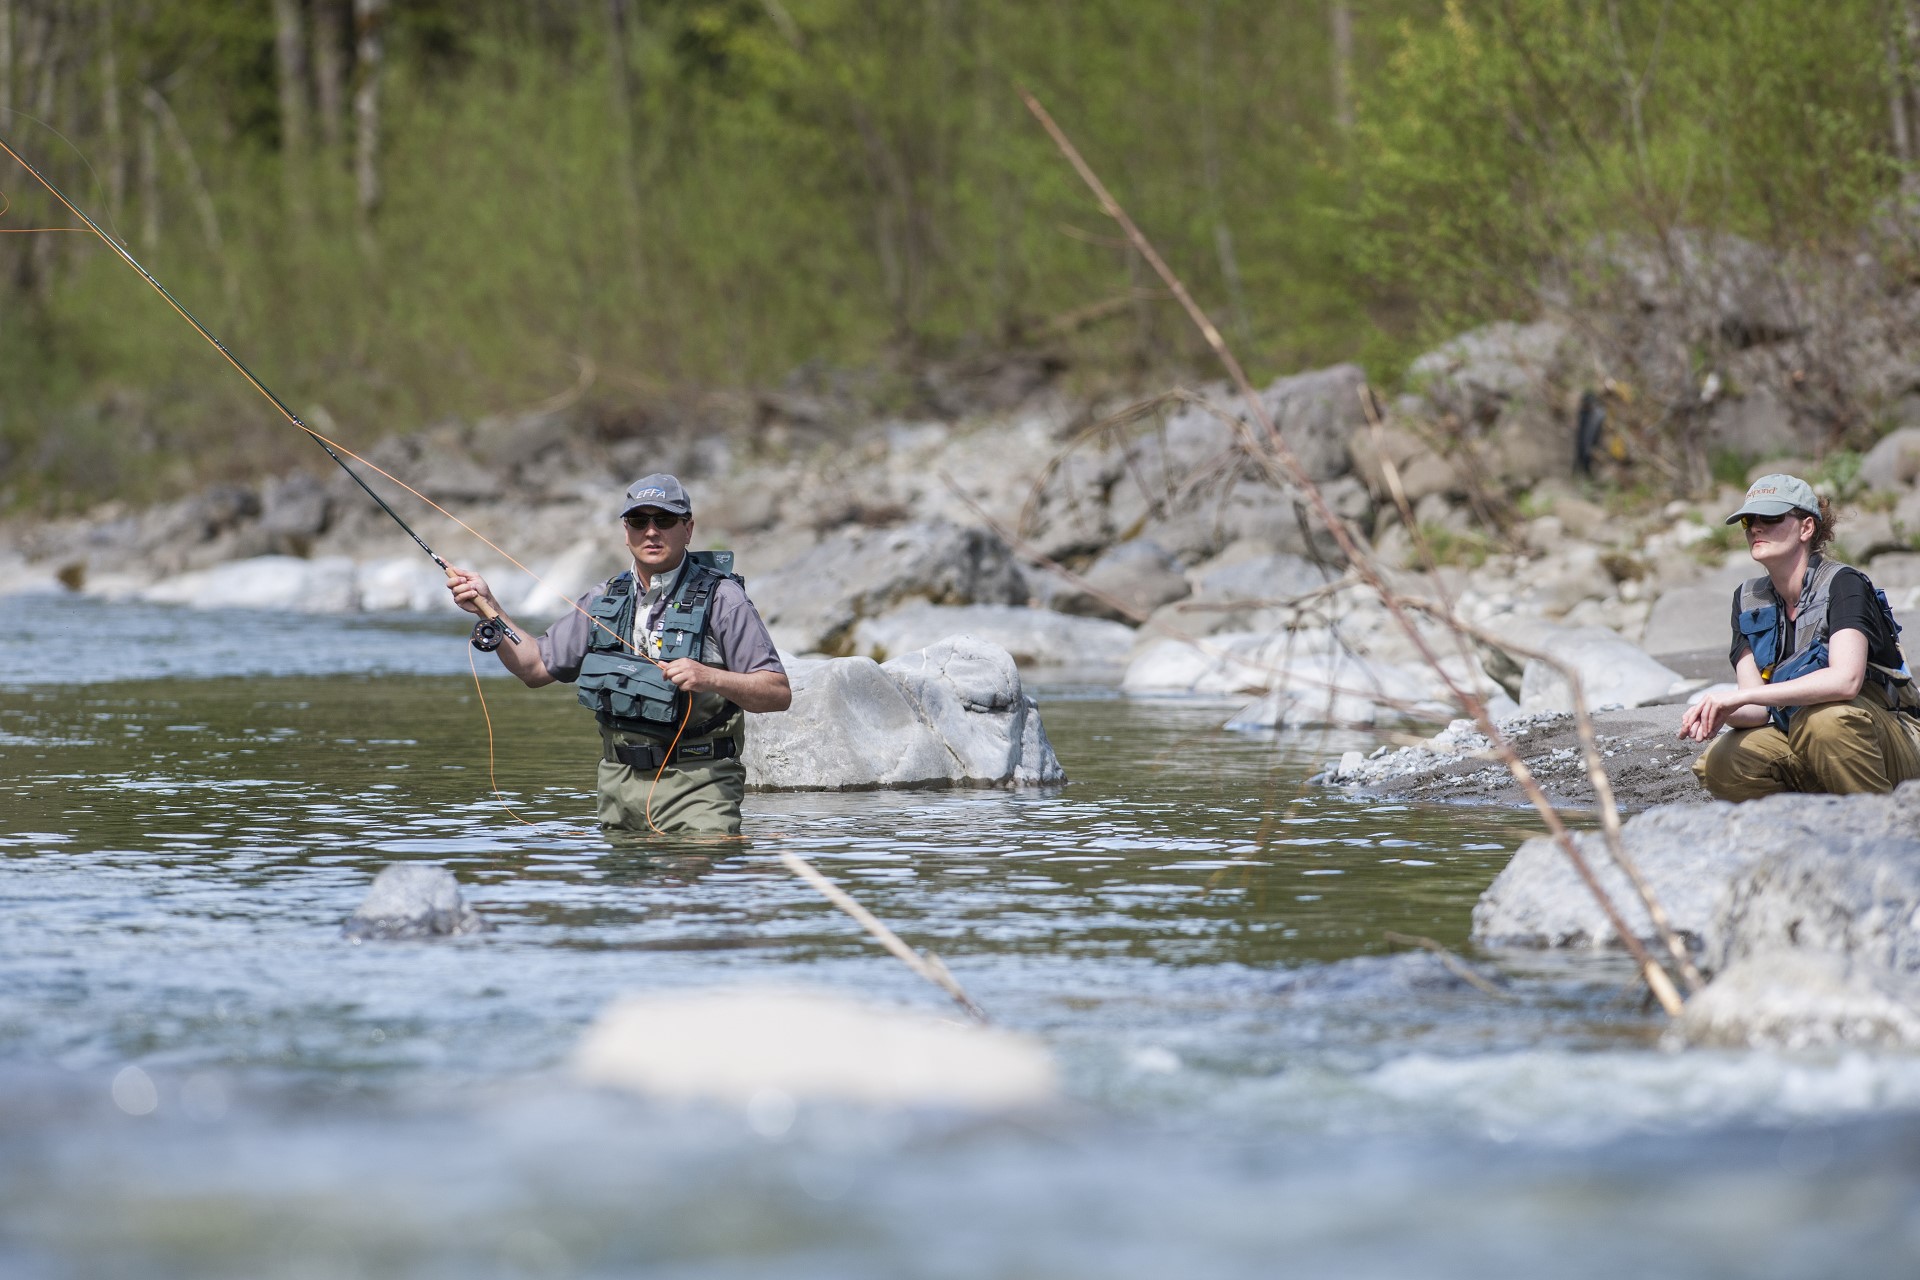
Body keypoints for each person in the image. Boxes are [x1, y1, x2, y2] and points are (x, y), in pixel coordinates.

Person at [445, 473, 791, 835]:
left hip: (701, 787)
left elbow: (777, 692)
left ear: (688, 529)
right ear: (626, 532)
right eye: (639, 521)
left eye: (665, 520)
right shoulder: (603, 599)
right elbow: (534, 666)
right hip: (617, 790)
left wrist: (711, 677)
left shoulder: (724, 599)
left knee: (692, 886)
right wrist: (488, 606)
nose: (651, 532)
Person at [1681, 473, 1920, 799]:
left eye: (1771, 517)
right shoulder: (1747, 599)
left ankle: (1878, 826)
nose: (1755, 528)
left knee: (1823, 721)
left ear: (1806, 527)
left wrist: (1739, 697)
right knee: (1723, 761)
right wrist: (1724, 710)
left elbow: (1845, 681)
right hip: (1809, 737)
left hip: (1890, 740)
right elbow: (1755, 708)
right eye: (1749, 520)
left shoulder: (1843, 584)